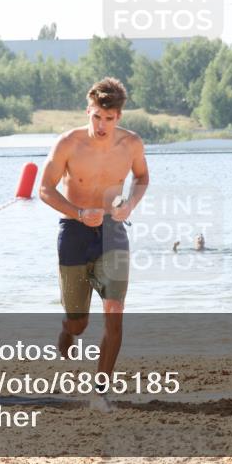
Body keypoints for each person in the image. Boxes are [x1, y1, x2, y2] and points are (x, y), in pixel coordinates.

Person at [38, 77, 149, 412]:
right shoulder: (68, 143)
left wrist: (130, 203)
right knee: (79, 321)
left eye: (109, 119)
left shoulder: (131, 145)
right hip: (74, 232)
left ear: (119, 117)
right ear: (88, 110)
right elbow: (44, 188)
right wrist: (78, 212)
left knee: (114, 312)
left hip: (113, 232)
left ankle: (100, 390)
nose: (101, 126)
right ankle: (68, 331)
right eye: (96, 117)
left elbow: (142, 177)